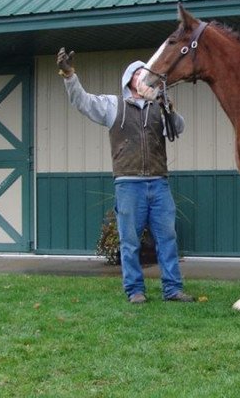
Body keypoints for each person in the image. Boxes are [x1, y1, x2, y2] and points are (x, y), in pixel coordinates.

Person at [57, 47, 194, 304]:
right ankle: (135, 290)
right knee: (130, 242)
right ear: (129, 79)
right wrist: (69, 76)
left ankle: (173, 289)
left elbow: (178, 128)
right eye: (139, 73)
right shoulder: (112, 105)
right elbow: (83, 102)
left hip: (159, 182)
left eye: (147, 74)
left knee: (168, 238)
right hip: (128, 184)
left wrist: (167, 106)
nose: (144, 77)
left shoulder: (159, 106)